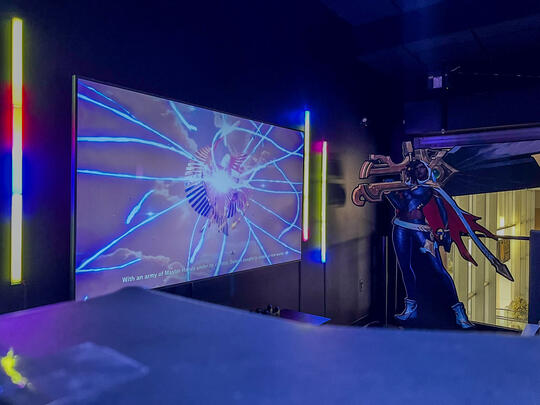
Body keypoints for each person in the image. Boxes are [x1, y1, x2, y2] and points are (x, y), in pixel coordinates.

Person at [386, 160, 474, 329]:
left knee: (439, 270)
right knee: (405, 268)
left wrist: (442, 229)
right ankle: (411, 308)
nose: (421, 171)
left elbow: (405, 205)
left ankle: (459, 312)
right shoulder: (406, 186)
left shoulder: (427, 188)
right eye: (417, 168)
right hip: (400, 228)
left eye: (422, 167)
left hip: (421, 230)